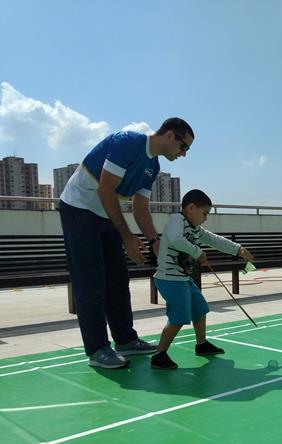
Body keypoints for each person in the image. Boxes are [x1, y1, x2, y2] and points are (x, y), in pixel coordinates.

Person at [59, 117, 194, 368]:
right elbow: (105, 190)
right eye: (184, 146)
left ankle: (125, 340)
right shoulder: (127, 142)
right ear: (170, 136)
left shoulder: (152, 167)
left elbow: (140, 207)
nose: (184, 154)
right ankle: (98, 349)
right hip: (78, 209)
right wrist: (128, 237)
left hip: (106, 214)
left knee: (118, 280)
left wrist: (154, 240)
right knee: (91, 282)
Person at [152, 189, 254, 370]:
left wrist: (238, 249)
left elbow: (214, 239)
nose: (205, 218)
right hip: (170, 278)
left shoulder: (196, 229)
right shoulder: (176, 220)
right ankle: (159, 355)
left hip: (182, 279)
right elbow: (175, 239)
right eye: (204, 213)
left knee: (199, 308)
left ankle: (201, 345)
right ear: (191, 208)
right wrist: (198, 252)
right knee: (177, 318)